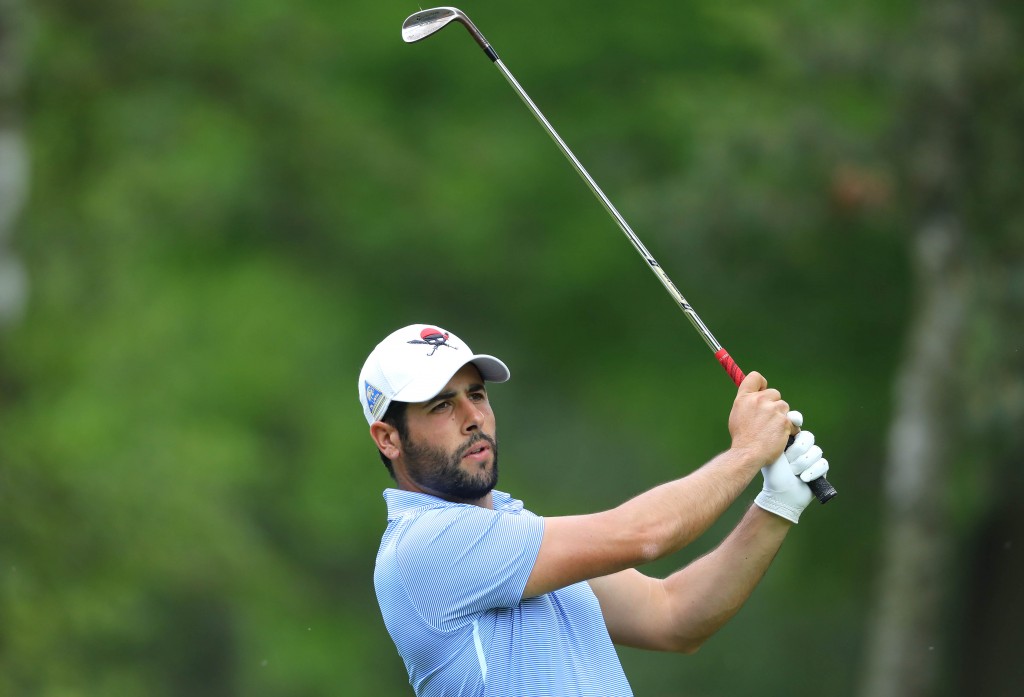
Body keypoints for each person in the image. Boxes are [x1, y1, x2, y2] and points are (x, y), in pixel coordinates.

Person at [359, 323, 829, 697]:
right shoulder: (425, 546)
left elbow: (675, 616)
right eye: (442, 406)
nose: (473, 418)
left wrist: (776, 505)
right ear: (389, 438)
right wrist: (746, 452)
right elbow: (648, 534)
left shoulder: (520, 535)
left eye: (476, 395)